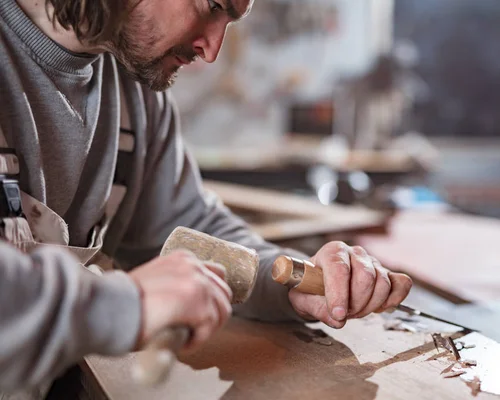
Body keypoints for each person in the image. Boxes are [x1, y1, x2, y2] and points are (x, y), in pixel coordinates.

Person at [0, 0, 413, 397]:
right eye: (214, 7)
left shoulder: (134, 93)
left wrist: (291, 281)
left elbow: (194, 231)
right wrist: (127, 305)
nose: (212, 50)